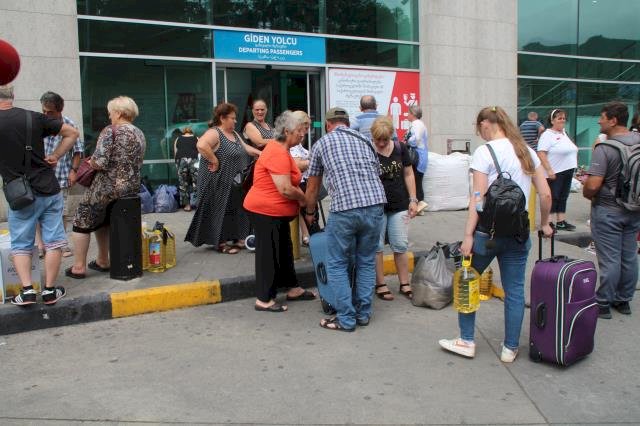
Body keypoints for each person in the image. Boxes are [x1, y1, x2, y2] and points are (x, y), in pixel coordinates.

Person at [439, 106, 552, 362]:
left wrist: (468, 236)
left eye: (479, 128)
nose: (480, 133)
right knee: (514, 291)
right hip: (518, 234)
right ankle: (510, 348)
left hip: (485, 235)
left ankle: (466, 340)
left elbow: (478, 200)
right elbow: (546, 195)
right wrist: (544, 224)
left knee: (467, 280)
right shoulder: (527, 152)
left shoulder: (484, 152)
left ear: (486, 124)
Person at [304, 107, 386, 332]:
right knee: (366, 260)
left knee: (337, 263)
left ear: (329, 124)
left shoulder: (321, 144)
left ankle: (346, 319)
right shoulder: (365, 140)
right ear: (347, 123)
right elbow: (375, 173)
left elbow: (312, 187)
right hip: (375, 204)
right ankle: (363, 314)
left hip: (345, 208)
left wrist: (309, 212)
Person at [0, 84, 79, 305]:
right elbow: (72, 133)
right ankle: (50, 291)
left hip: (19, 193)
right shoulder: (33, 117)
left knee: (21, 244)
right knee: (54, 241)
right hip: (48, 188)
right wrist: (55, 155)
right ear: (12, 97)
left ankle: (27, 292)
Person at [65, 96, 145, 279]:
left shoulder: (111, 131)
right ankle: (102, 260)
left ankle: (78, 267)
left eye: (110, 113)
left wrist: (90, 161)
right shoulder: (139, 132)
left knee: (81, 221)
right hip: (130, 187)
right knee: (104, 222)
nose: (109, 116)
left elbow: (100, 162)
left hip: (107, 187)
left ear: (118, 112)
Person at [244, 110, 316, 312]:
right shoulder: (276, 151)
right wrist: (303, 199)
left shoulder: (281, 150)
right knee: (268, 254)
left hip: (277, 212)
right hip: (265, 211)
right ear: (287, 131)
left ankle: (292, 288)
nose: (302, 136)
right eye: (299, 132)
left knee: (284, 249)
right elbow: (285, 188)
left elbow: (294, 168)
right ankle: (263, 299)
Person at [583, 101, 640, 319]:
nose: (599, 120)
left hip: (608, 210)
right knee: (629, 255)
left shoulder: (605, 148)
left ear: (613, 120)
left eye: (602, 117)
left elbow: (594, 185)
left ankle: (604, 302)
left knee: (610, 258)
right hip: (634, 209)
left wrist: (588, 193)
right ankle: (623, 300)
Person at [185, 103, 260, 253]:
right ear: (222, 118)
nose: (235, 121)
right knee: (219, 210)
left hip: (235, 183)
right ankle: (220, 242)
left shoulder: (235, 134)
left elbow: (247, 149)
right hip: (218, 182)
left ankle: (240, 237)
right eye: (232, 118)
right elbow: (201, 145)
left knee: (237, 209)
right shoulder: (215, 132)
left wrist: (263, 154)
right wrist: (214, 160)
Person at [370, 117, 418, 301]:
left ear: (391, 135)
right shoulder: (368, 150)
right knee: (377, 247)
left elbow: (408, 173)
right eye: (377, 140)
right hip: (376, 206)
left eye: (385, 139)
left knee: (400, 245)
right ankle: (380, 284)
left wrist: (413, 199)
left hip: (399, 204)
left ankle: (404, 282)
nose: (381, 144)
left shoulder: (400, 148)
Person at [35, 91, 84, 259]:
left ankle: (61, 244)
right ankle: (40, 245)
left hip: (61, 175)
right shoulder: (37, 123)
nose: (46, 115)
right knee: (37, 211)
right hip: (39, 176)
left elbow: (77, 151)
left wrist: (74, 171)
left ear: (59, 111)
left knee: (60, 212)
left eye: (50, 112)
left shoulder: (69, 125)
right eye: (44, 111)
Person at [537, 108, 578, 231]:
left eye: (564, 118)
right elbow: (541, 153)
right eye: (559, 118)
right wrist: (549, 170)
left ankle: (561, 220)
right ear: (552, 120)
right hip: (555, 170)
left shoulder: (564, 133)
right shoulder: (547, 135)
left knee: (563, 195)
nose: (563, 120)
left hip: (568, 169)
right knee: (553, 195)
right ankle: (548, 221)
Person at [289, 110, 312, 246]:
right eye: (307, 126)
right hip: (301, 182)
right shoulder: (293, 144)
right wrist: (314, 161)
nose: (308, 130)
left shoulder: (297, 144)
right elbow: (298, 165)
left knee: (302, 211)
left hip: (303, 181)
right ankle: (308, 235)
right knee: (306, 210)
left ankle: (306, 234)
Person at [405, 104, 429, 215]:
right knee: (417, 180)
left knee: (416, 181)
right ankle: (420, 207)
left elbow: (415, 140)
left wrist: (407, 140)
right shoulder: (420, 124)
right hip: (421, 156)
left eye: (408, 113)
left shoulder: (416, 124)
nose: (407, 115)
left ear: (413, 114)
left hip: (417, 156)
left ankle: (419, 206)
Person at [174, 126, 198, 211]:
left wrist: (177, 165)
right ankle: (197, 203)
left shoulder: (178, 139)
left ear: (183, 132)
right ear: (191, 132)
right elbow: (200, 152)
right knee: (196, 182)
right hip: (194, 160)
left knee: (183, 184)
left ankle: (187, 205)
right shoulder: (196, 138)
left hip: (182, 161)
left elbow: (175, 152)